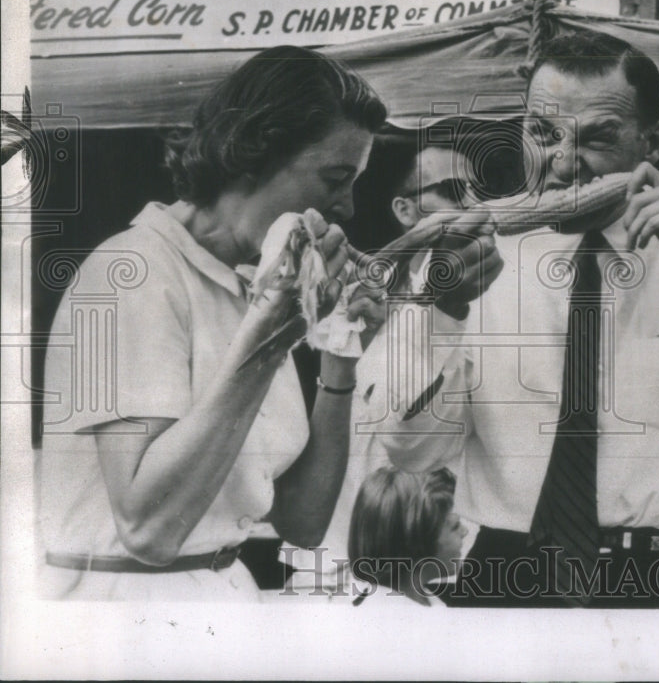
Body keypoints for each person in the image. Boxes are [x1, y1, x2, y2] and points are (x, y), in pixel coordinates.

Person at [380, 29, 659, 608]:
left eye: (598, 138)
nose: (565, 165)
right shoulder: (471, 251)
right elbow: (409, 450)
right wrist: (443, 311)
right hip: (510, 571)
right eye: (543, 134)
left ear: (654, 141)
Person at [37, 45, 486, 601]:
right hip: (125, 612)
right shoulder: (131, 273)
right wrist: (269, 341)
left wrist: (340, 361)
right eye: (334, 177)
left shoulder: (253, 286)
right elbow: (148, 530)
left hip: (224, 596)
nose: (346, 207)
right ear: (253, 154)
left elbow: (302, 519)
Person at [282, 138, 480, 594]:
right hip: (338, 571)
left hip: (438, 569)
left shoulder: (495, 305)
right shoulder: (349, 297)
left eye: (478, 191)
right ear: (406, 211)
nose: (471, 204)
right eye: (452, 190)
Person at [348, 466, 468, 608]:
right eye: (454, 526)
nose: (465, 531)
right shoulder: (388, 615)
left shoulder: (428, 600)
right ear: (418, 539)